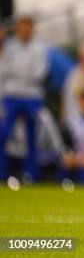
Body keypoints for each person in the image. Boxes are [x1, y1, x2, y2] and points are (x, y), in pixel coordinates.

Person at [0, 16, 49, 181]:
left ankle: (31, 175)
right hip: (12, 95)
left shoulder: (40, 47)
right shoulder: (10, 46)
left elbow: (39, 74)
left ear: (32, 29)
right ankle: (2, 174)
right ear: (18, 29)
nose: (24, 30)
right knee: (4, 134)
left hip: (32, 96)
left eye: (27, 27)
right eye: (21, 27)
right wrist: (24, 74)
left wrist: (18, 73)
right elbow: (4, 70)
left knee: (32, 137)